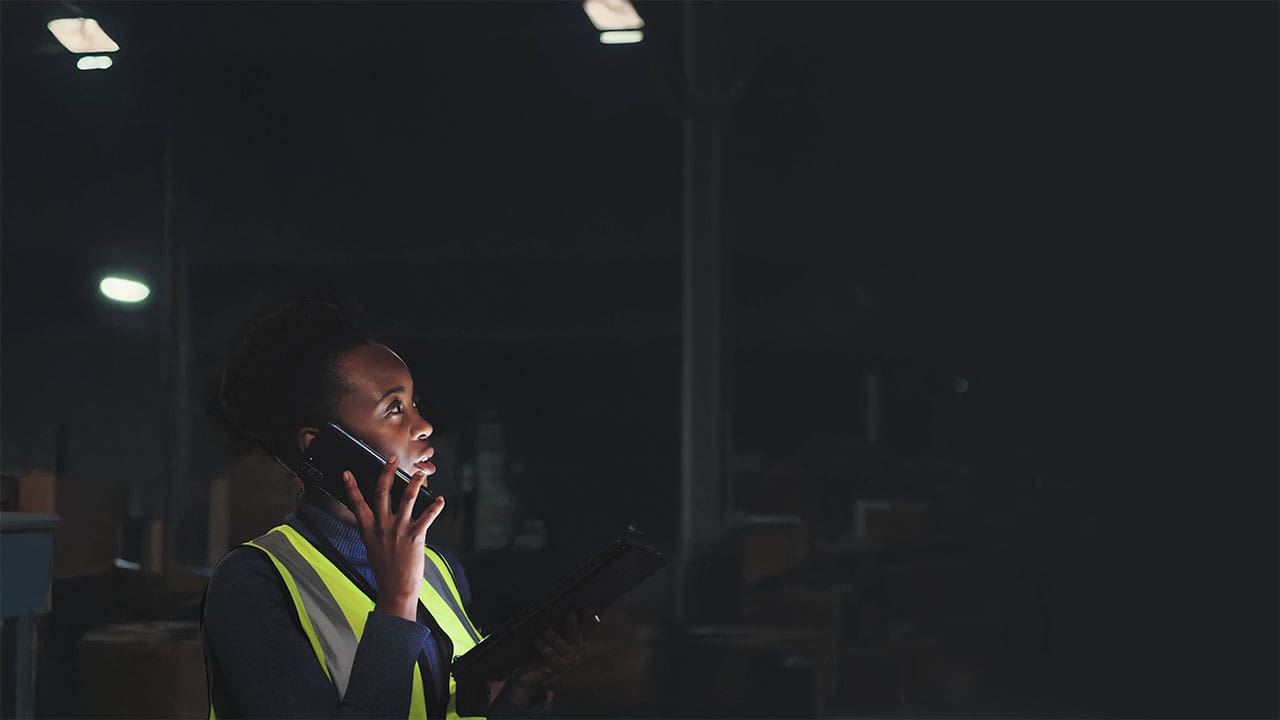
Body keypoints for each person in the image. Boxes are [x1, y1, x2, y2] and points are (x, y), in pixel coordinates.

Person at [203, 301, 592, 719]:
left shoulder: (439, 569)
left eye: (414, 404)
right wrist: (395, 604)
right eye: (394, 408)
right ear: (320, 446)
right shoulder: (253, 584)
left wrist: (518, 696)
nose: (423, 425)